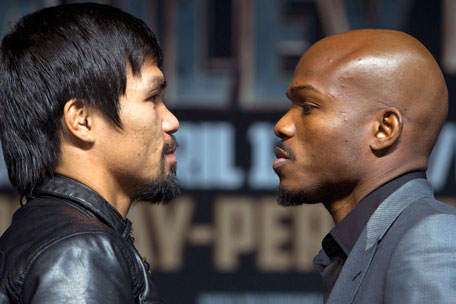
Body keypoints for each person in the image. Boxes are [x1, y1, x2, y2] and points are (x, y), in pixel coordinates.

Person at [0, 3, 179, 303]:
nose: (171, 121)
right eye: (153, 98)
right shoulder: (79, 252)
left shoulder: (43, 236)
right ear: (82, 120)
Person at [273, 29, 455, 303]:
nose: (282, 126)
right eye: (291, 105)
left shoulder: (428, 240)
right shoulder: (357, 250)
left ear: (384, 129)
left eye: (308, 106)